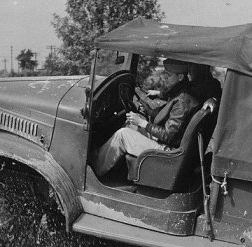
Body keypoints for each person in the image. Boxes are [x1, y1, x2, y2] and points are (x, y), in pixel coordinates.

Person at [91, 59, 221, 177]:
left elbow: (168, 136)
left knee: (123, 135)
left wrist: (142, 122)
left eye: (169, 76)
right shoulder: (183, 93)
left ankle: (95, 169)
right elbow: (169, 116)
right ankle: (106, 161)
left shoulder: (183, 101)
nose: (165, 79)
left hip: (169, 153)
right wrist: (147, 111)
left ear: (180, 77)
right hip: (172, 147)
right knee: (130, 125)